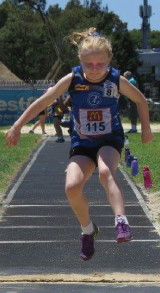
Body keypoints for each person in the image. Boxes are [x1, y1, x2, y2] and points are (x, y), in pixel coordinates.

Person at [5, 27, 154, 261]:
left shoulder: (116, 79)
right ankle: (87, 230)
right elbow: (43, 101)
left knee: (106, 171)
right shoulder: (72, 79)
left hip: (109, 139)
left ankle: (121, 221)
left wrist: (145, 129)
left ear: (109, 61)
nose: (95, 70)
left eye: (100, 65)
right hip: (82, 143)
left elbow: (141, 100)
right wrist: (17, 124)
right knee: (72, 187)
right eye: (89, 65)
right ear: (80, 61)